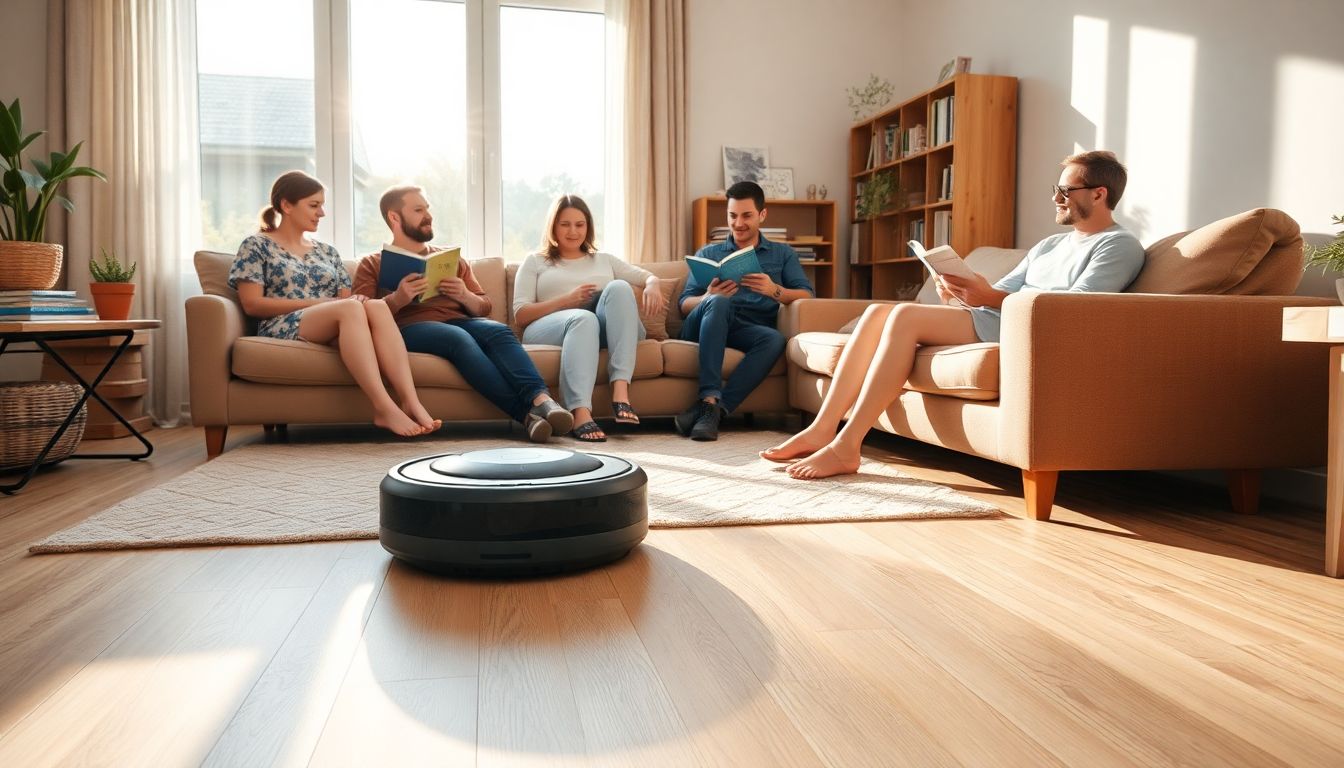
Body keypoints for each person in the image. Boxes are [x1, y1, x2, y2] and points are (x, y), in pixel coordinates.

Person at [763, 150, 1146, 479]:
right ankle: (822, 428)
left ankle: (847, 445)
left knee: (905, 317)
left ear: (1099, 194)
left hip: (1031, 331)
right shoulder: (1049, 245)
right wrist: (963, 291)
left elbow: (1074, 309)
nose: (1056, 198)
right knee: (880, 311)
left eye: (1066, 190)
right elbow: (1001, 290)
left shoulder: (1119, 245)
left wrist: (989, 297)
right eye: (1056, 189)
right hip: (1000, 318)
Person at [352, 185, 574, 442]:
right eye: (418, 209)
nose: (428, 215)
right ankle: (524, 414)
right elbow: (363, 314)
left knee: (498, 330)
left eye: (428, 208)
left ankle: (543, 402)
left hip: (460, 320)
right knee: (455, 337)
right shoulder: (372, 263)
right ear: (394, 217)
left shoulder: (451, 260)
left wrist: (463, 295)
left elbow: (484, 306)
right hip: (409, 328)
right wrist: (398, 298)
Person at [228, 171, 439, 438]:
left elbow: (347, 298)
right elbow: (252, 304)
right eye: (314, 205)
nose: (322, 213)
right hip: (282, 325)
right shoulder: (256, 245)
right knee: (350, 307)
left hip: (334, 321)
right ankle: (384, 408)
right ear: (286, 205)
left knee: (375, 306)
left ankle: (411, 401)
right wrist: (325, 303)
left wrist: (358, 301)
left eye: (322, 205)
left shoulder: (327, 251)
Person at [512, 194, 666, 443]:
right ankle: (580, 412)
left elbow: (645, 276)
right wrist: (567, 300)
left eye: (580, 224)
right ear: (553, 226)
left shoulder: (604, 259)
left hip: (602, 331)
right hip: (547, 330)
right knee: (584, 318)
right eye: (565, 224)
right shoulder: (535, 261)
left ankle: (620, 393)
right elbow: (521, 315)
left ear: (588, 227)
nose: (573, 231)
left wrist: (653, 283)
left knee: (619, 287)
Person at [674, 180, 814, 441]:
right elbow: (684, 304)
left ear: (762, 215)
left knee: (774, 339)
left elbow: (807, 294)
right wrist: (707, 296)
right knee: (719, 302)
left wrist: (775, 290)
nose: (738, 223)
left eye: (746, 215)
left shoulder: (782, 254)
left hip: (745, 329)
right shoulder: (710, 251)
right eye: (732, 215)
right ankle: (708, 397)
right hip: (705, 324)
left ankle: (713, 411)